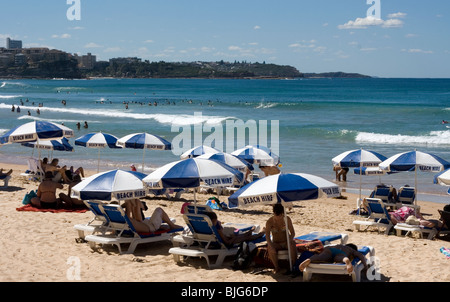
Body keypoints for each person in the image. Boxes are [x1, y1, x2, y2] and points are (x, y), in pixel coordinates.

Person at [265, 203, 297, 273]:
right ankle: (276, 267)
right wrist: (271, 245)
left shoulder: (287, 219)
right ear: (273, 213)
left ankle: (293, 264)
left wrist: (290, 240)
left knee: (292, 244)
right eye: (277, 215)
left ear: (282, 213)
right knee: (270, 248)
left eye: (280, 215)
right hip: (277, 243)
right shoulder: (270, 222)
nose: (278, 217)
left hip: (286, 242)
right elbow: (267, 236)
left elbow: (292, 232)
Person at [298, 244, 368, 274]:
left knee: (320, 257)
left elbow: (325, 248)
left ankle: (310, 259)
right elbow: (360, 255)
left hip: (330, 249)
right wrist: (365, 266)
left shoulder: (340, 245)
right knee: (341, 258)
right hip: (341, 253)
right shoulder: (351, 250)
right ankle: (347, 260)